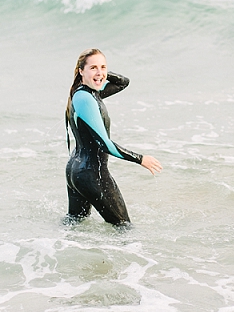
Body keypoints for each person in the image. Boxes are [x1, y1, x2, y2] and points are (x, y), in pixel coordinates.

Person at [64, 48, 162, 227]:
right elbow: (104, 144)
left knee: (75, 225)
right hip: (92, 174)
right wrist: (141, 159)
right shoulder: (85, 99)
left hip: (75, 170)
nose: (100, 72)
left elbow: (123, 82)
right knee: (124, 228)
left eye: (103, 67)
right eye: (93, 67)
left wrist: (99, 75)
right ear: (80, 71)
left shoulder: (85, 93)